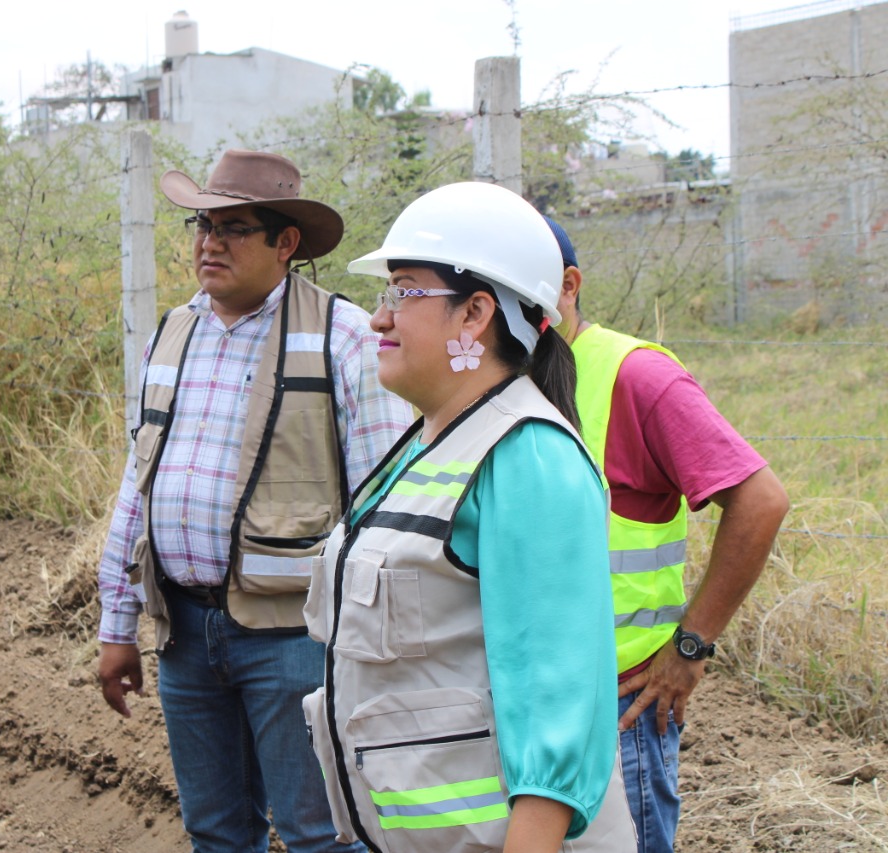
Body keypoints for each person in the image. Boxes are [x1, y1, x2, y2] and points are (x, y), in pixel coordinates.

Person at [304, 182, 637, 853]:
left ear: (475, 313)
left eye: (402, 292)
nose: (378, 319)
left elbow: (556, 705)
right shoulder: (430, 441)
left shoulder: (528, 456)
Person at [96, 149, 413, 852]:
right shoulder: (171, 336)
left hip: (297, 640)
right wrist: (117, 626)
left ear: (286, 243)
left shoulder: (343, 337)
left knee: (319, 835)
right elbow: (136, 488)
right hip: (184, 633)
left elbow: (381, 509)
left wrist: (372, 654)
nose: (209, 243)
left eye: (233, 228)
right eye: (203, 226)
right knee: (215, 832)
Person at [546, 217, 788, 853]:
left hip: (619, 703)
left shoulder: (635, 376)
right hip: (522, 693)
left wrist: (690, 646)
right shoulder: (493, 375)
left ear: (568, 285)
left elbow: (760, 502)